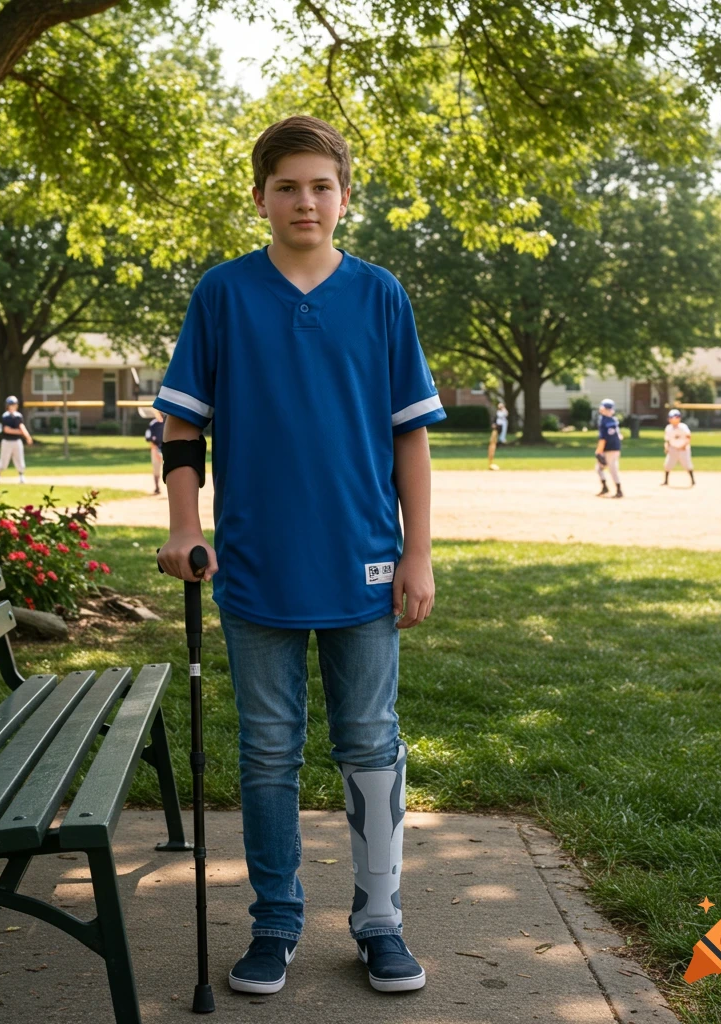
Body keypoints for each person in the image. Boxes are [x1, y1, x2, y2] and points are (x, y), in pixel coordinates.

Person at [154, 115, 445, 997]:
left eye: (322, 186)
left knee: (370, 744)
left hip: (363, 562)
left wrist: (418, 554)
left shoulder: (381, 295)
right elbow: (181, 426)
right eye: (288, 187)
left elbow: (412, 442)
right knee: (269, 752)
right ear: (261, 198)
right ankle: (276, 922)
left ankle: (380, 922)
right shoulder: (224, 293)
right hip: (254, 565)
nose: (305, 201)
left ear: (345, 197)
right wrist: (182, 525)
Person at [0, 396, 32, 484]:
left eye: (14, 404)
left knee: (19, 458)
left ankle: (21, 476)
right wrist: (19, 432)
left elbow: (21, 426)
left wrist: (27, 436)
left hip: (17, 441)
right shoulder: (5, 416)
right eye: (11, 405)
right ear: (7, 406)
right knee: (4, 459)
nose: (13, 406)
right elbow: (7, 430)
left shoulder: (18, 416)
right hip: (7, 441)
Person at [594, 398, 622, 498]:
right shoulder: (614, 420)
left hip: (608, 448)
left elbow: (603, 438)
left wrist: (598, 450)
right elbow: (620, 436)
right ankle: (605, 487)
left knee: (611, 469)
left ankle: (619, 490)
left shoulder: (603, 421)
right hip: (616, 447)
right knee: (600, 468)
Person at [662, 408, 695, 486]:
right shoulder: (668, 428)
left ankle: (693, 480)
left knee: (687, 465)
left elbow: (688, 437)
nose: (674, 419)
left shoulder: (683, 427)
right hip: (673, 449)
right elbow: (667, 440)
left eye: (676, 417)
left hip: (683, 449)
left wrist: (684, 445)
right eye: (672, 418)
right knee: (668, 465)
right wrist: (666, 447)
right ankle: (666, 481)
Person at [144, 408, 165, 494]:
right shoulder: (153, 424)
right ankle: (157, 487)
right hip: (156, 448)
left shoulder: (166, 423)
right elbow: (149, 438)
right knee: (156, 469)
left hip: (166, 448)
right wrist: (155, 450)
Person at [488, 401, 508, 470]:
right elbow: (495, 419)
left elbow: (506, 414)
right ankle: (497, 443)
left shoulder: (504, 412)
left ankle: (500, 442)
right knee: (495, 437)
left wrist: (503, 408)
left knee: (501, 435)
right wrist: (494, 424)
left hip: (503, 425)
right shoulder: (497, 413)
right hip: (498, 425)